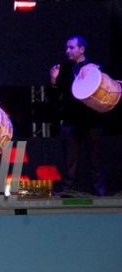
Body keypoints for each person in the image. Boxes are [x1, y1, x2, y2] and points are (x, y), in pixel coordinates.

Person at [47, 36, 106, 196]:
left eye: (71, 48)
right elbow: (52, 98)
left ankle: (99, 193)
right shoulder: (64, 69)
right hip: (70, 121)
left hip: (91, 120)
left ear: (82, 49)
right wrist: (53, 79)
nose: (67, 51)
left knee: (95, 160)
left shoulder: (94, 66)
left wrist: (98, 67)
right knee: (70, 161)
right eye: (66, 48)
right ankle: (69, 191)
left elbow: (114, 76)